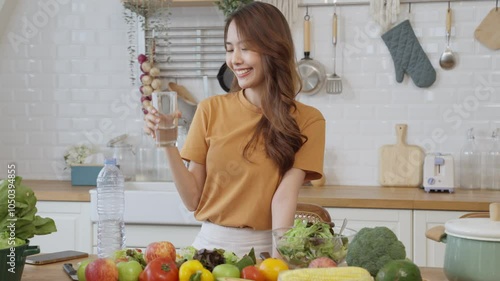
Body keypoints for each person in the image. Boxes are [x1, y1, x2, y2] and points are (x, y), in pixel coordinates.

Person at [143, 2, 325, 257]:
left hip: (266, 252)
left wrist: (279, 263)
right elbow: (192, 200)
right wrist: (167, 143)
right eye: (229, 49)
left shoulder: (308, 120)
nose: (235, 60)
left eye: (246, 48)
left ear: (274, 49)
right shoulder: (210, 110)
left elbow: (284, 197)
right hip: (207, 252)